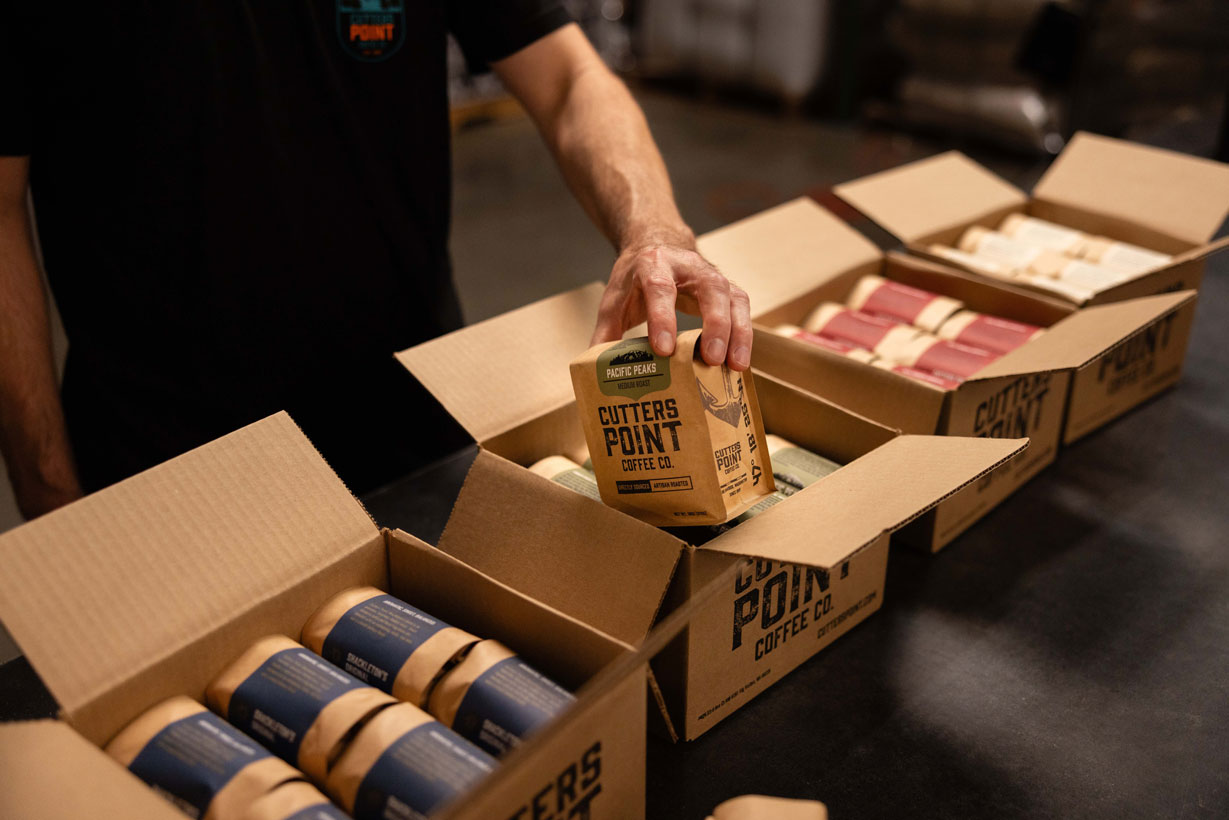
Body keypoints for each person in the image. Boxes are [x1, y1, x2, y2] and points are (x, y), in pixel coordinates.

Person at [0, 2, 751, 520]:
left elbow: (568, 78)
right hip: (168, 477)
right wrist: (52, 500)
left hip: (413, 441)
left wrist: (653, 228)